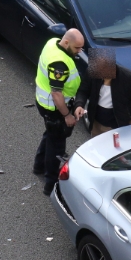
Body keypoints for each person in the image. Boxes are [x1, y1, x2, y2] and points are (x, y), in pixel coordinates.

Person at [33, 28, 86, 195]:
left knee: (50, 135)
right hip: (54, 108)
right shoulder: (59, 63)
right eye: (77, 48)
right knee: (57, 146)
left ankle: (38, 166)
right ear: (66, 42)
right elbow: (57, 94)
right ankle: (51, 184)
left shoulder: (52, 43)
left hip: (44, 103)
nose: (80, 51)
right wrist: (67, 115)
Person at [74, 48, 131, 137]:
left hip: (117, 126)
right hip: (96, 123)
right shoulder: (92, 72)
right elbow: (83, 90)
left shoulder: (130, 77)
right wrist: (79, 104)